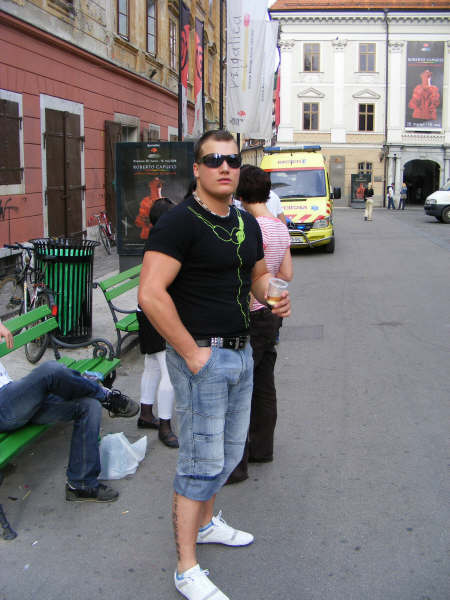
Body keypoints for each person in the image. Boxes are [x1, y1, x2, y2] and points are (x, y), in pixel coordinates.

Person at [138, 129, 291, 600]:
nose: (225, 167)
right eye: (214, 160)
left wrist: (271, 295)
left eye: (232, 160)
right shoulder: (180, 222)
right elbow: (150, 294)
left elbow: (258, 275)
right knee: (199, 462)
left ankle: (206, 524)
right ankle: (186, 568)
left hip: (242, 353)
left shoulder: (244, 221)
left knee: (226, 454)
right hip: (203, 357)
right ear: (198, 169)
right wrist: (191, 352)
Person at [0, 322, 139, 502]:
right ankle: (105, 396)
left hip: (13, 396)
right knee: (51, 371)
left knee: (89, 405)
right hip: (5, 408)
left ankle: (81, 484)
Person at [227, 166, 292, 485]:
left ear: (240, 193)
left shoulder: (249, 226)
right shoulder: (280, 227)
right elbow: (287, 274)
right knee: (265, 383)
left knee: (239, 389)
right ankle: (262, 449)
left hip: (250, 313)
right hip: (272, 312)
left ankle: (236, 464)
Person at [137, 198, 179, 448]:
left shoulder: (154, 239)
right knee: (169, 370)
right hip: (158, 312)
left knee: (152, 363)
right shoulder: (164, 244)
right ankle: (165, 426)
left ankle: (145, 413)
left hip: (145, 310)